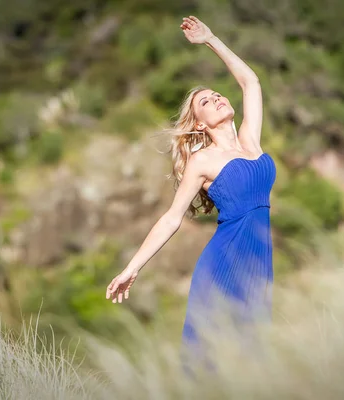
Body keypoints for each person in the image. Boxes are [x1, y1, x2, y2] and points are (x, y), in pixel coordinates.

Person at [106, 15, 276, 371]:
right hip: (224, 263)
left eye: (216, 94)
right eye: (205, 102)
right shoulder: (203, 161)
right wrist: (132, 269)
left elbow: (251, 82)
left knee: (256, 360)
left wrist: (211, 39)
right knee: (213, 361)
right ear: (199, 124)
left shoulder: (251, 143)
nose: (216, 98)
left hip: (258, 262)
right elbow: (172, 218)